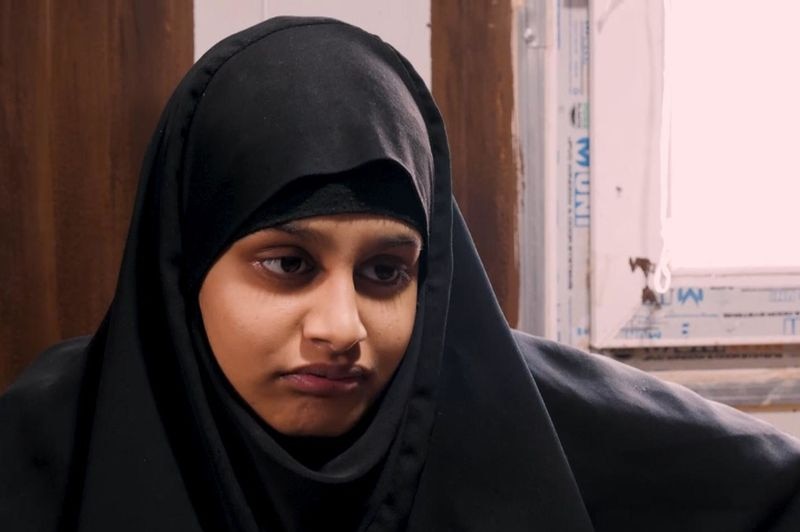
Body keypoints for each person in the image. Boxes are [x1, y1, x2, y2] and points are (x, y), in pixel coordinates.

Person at [1, 16, 799, 532]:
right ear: (183, 268)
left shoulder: (513, 404)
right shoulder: (44, 448)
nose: (341, 329)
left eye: (385, 273)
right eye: (287, 265)